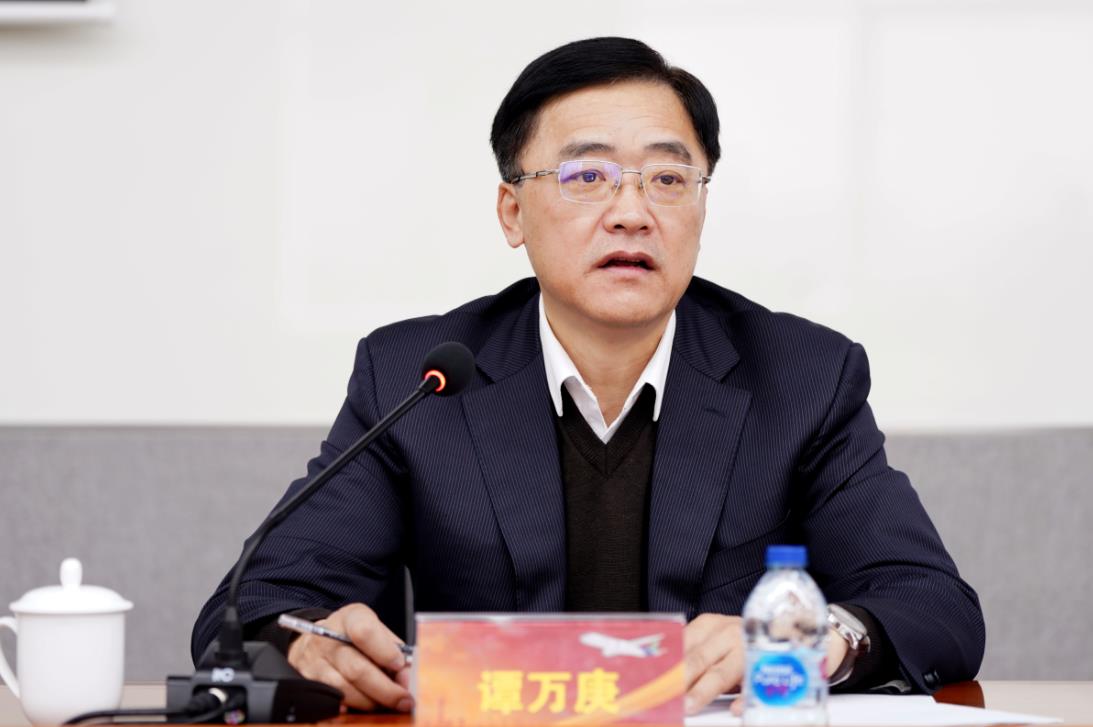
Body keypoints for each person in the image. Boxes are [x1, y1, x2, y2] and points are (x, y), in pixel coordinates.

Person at [192, 37, 985, 715]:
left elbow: (932, 605)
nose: (632, 211)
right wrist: (307, 643)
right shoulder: (420, 376)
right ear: (512, 213)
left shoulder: (800, 377)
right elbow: (255, 604)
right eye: (586, 176)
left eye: (667, 179)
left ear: (701, 205)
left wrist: (817, 637)